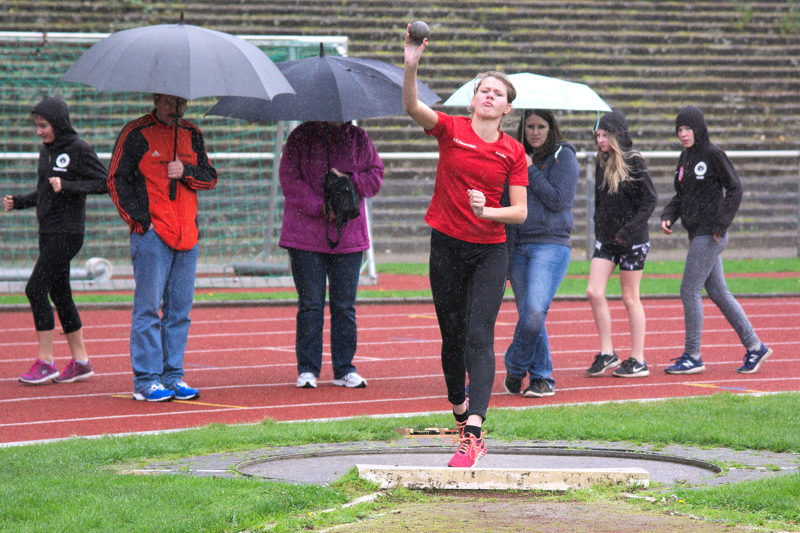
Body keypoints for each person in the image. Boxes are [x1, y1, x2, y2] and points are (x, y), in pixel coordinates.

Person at [403, 27, 528, 468]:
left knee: (479, 334)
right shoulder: (450, 129)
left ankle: (473, 432)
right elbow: (412, 106)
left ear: (506, 108)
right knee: (452, 340)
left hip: (490, 251)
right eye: (484, 90)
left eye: (497, 93)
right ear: (473, 100)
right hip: (447, 246)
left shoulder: (513, 151)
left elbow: (519, 213)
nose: (489, 96)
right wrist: (412, 63)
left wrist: (487, 211)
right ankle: (458, 407)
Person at [107, 93, 217, 402]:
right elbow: (115, 180)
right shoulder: (135, 132)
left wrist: (187, 172)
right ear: (157, 99)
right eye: (171, 103)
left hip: (188, 235)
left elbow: (210, 177)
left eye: (182, 104)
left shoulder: (193, 133)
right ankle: (146, 379)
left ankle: (173, 375)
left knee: (179, 312)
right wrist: (142, 223)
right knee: (148, 309)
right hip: (153, 235)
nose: (177, 110)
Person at [661, 105, 772, 375]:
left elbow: (735, 188)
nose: (683, 134)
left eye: (687, 129)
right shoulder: (685, 157)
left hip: (709, 234)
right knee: (719, 292)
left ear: (699, 128)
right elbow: (681, 195)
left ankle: (693, 355)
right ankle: (755, 347)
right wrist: (669, 215)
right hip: (697, 233)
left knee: (689, 291)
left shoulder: (713, 154)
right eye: (679, 130)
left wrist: (721, 225)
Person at [5, 96, 107, 385]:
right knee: (61, 295)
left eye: (43, 125)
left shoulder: (79, 149)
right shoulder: (46, 152)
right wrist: (21, 201)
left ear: (58, 123)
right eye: (37, 126)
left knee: (35, 289)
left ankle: (46, 362)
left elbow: (105, 183)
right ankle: (82, 361)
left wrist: (69, 185)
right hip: (47, 230)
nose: (39, 131)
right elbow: (46, 192)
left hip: (68, 232)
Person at [278, 121, 383, 389]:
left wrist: (349, 180)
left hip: (349, 237)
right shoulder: (300, 137)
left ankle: (344, 368)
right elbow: (289, 181)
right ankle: (308, 369)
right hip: (304, 236)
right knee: (310, 304)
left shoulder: (359, 137)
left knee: (344, 306)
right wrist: (321, 207)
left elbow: (375, 177)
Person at [503, 109, 579, 398]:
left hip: (550, 243)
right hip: (518, 244)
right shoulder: (513, 155)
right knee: (529, 315)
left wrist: (530, 168)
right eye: (530, 126)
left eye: (541, 126)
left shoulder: (564, 156)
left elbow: (558, 201)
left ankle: (514, 365)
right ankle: (541, 378)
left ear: (551, 128)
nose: (535, 132)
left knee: (534, 313)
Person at [585, 110, 657, 378]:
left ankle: (638, 359)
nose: (601, 140)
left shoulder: (634, 160)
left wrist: (630, 229)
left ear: (617, 136)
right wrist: (600, 227)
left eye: (605, 136)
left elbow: (649, 200)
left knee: (630, 297)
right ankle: (607, 353)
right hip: (607, 240)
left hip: (632, 241)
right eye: (598, 135)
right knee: (593, 291)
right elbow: (600, 199)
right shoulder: (599, 159)